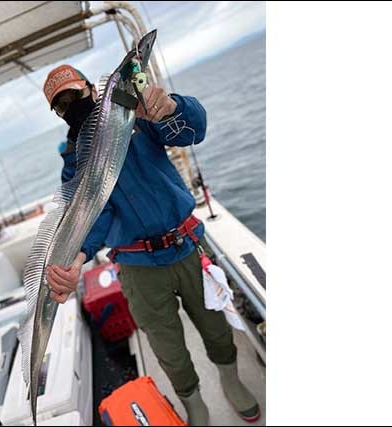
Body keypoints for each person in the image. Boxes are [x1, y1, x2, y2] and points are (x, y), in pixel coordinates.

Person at [42, 65, 260, 425]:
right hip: (137, 267)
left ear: (92, 90)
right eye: (62, 104)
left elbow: (194, 130)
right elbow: (97, 215)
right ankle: (194, 403)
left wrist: (171, 107)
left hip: (188, 247)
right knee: (167, 347)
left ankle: (230, 379)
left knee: (216, 326)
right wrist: (78, 255)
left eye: (75, 94)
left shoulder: (136, 116)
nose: (72, 105)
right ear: (59, 114)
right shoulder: (74, 164)